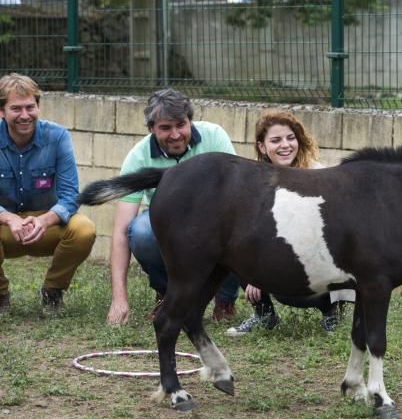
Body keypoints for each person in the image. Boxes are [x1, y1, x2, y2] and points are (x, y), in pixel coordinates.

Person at [106, 89, 240, 325]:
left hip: (213, 220)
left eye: (181, 125)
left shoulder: (215, 137)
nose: (176, 134)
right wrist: (119, 299)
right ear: (151, 129)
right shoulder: (137, 158)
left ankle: (225, 300)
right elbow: (120, 231)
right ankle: (168, 296)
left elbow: (237, 200)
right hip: (166, 225)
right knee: (140, 232)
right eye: (166, 128)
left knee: (233, 226)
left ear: (190, 121)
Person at [227, 109, 354, 337]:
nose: (285, 145)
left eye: (290, 138)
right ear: (262, 147)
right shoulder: (256, 180)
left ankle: (331, 312)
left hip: (320, 264)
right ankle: (264, 315)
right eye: (275, 140)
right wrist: (253, 274)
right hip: (278, 263)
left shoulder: (319, 175)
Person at [0, 73, 95, 315]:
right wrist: (10, 218)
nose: (25, 115)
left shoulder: (58, 136)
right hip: (5, 226)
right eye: (16, 108)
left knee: (84, 229)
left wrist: (45, 220)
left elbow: (70, 195)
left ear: (38, 106)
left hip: (46, 224)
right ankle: (0, 295)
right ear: (2, 111)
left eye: (30, 107)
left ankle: (52, 292)